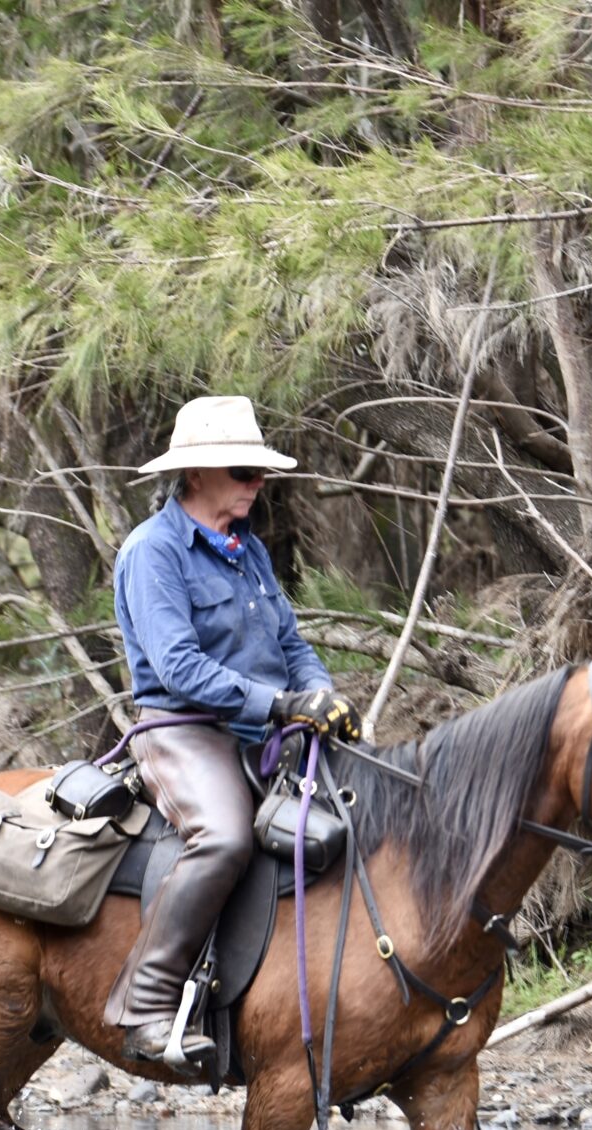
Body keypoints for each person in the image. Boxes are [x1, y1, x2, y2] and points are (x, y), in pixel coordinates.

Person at [109, 395, 365, 1071]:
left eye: (259, 472)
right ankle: (148, 1006)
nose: (256, 483)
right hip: (183, 729)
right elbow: (178, 667)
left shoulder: (247, 551)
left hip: (265, 725)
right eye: (242, 471)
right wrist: (281, 705)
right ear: (195, 476)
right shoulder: (152, 552)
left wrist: (320, 697)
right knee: (223, 838)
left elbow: (291, 642)